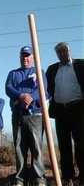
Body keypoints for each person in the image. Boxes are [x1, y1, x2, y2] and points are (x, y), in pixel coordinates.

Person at [5, 46, 47, 186]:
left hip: (35, 116)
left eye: (28, 55)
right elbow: (8, 88)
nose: (25, 58)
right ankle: (20, 178)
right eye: (23, 56)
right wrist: (20, 95)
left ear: (33, 57)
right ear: (20, 57)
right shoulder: (13, 73)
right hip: (18, 116)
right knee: (19, 148)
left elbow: (45, 92)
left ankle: (39, 178)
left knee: (37, 148)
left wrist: (32, 97)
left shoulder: (39, 72)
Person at [46, 42, 84, 186]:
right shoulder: (52, 69)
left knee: (81, 143)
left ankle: (83, 176)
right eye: (59, 52)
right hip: (60, 111)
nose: (63, 54)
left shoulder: (80, 65)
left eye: (65, 51)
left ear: (69, 51)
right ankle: (68, 177)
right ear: (57, 54)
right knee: (64, 144)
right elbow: (47, 89)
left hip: (78, 109)